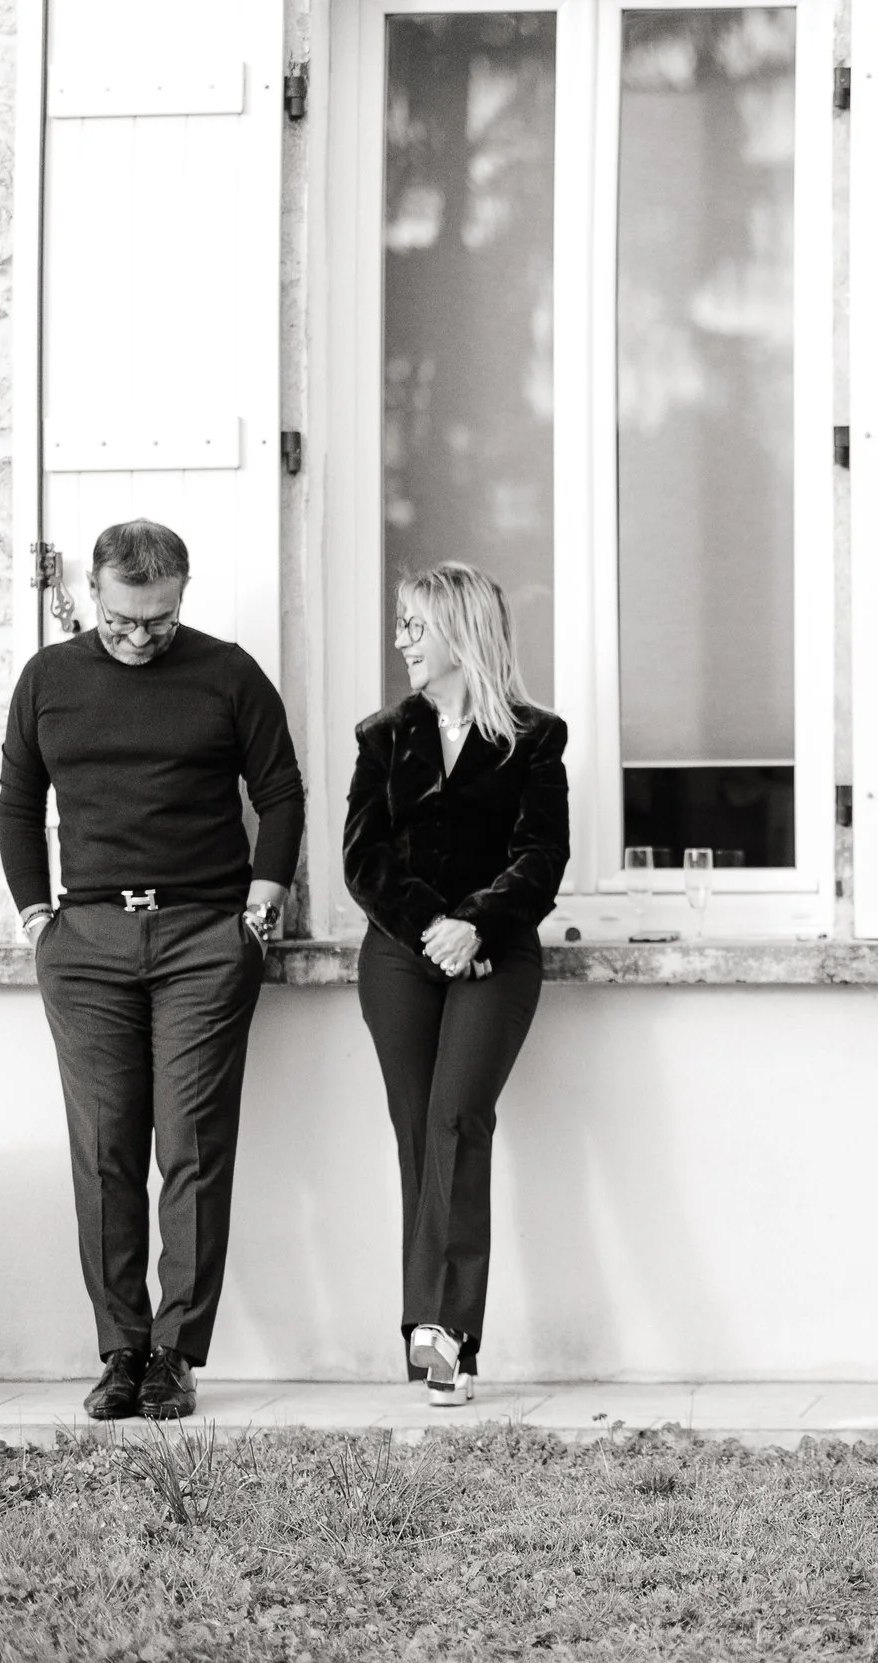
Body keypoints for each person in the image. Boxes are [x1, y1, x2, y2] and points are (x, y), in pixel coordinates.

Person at [0, 519, 305, 1421]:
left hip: (203, 938)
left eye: (159, 621)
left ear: (183, 594)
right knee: (104, 1150)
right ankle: (119, 1349)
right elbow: (18, 798)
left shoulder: (229, 673)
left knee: (192, 1149)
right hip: (86, 940)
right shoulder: (48, 680)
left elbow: (279, 789)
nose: (140, 637)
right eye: (124, 619)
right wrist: (36, 917)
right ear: (93, 593)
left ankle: (176, 1354)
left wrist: (260, 906)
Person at [345, 564, 568, 1406]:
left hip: (497, 952)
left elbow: (542, 857)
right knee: (415, 1131)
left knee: (456, 1119)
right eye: (401, 625)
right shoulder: (382, 735)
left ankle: (447, 1341)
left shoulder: (535, 738)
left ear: (458, 633)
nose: (401, 639)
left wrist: (475, 921)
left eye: (415, 625)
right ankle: (427, 1334)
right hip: (402, 954)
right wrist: (435, 931)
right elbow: (363, 860)